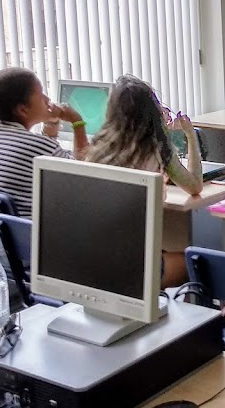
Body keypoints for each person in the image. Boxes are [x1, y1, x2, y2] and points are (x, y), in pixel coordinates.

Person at [85, 75, 203, 288]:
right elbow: (194, 186)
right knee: (199, 264)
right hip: (135, 263)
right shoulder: (156, 148)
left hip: (96, 257)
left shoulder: (99, 147)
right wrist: (191, 136)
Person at [0, 68, 88, 218]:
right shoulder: (37, 146)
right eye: (40, 96)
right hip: (28, 239)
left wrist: (51, 127)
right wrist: (77, 122)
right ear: (22, 109)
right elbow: (83, 175)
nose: (47, 100)